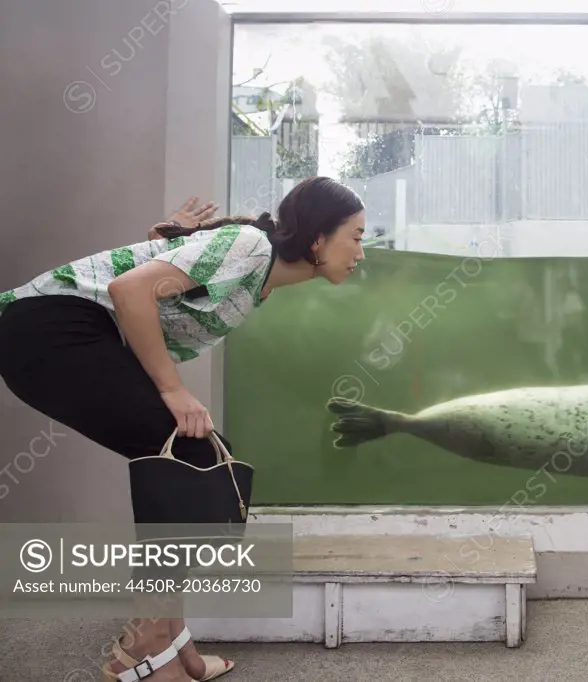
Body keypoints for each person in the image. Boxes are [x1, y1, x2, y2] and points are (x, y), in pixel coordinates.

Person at [0, 176, 366, 682]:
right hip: (48, 329)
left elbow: (145, 295)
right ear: (319, 239)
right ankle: (144, 650)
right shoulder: (250, 247)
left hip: (61, 332)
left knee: (199, 458)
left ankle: (168, 640)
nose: (361, 252)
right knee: (191, 459)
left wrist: (167, 247)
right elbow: (128, 291)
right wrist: (173, 390)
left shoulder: (254, 275)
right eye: (357, 235)